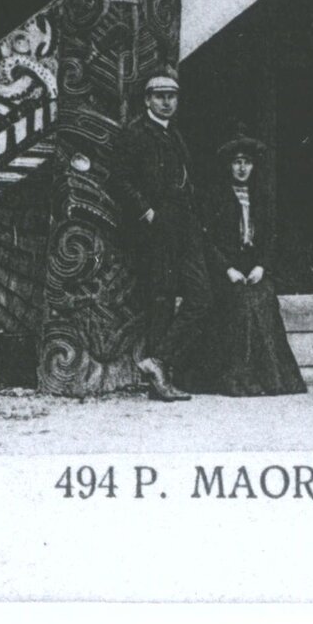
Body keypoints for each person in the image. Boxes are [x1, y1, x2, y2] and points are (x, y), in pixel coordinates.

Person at [187, 130, 306, 398]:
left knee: (264, 298)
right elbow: (207, 240)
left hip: (252, 267)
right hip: (223, 269)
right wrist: (227, 269)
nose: (242, 168)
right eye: (237, 162)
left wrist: (261, 267)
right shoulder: (215, 197)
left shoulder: (261, 197)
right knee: (238, 303)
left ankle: (270, 379)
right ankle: (237, 379)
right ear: (228, 166)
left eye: (247, 162)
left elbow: (270, 239)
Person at [110, 68, 206, 401]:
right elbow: (119, 180)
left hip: (185, 228)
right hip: (156, 229)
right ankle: (159, 383)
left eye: (172, 96)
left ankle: (158, 361)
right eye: (160, 96)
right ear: (148, 100)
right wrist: (147, 213)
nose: (167, 102)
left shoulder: (175, 135)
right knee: (161, 301)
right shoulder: (135, 134)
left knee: (200, 295)